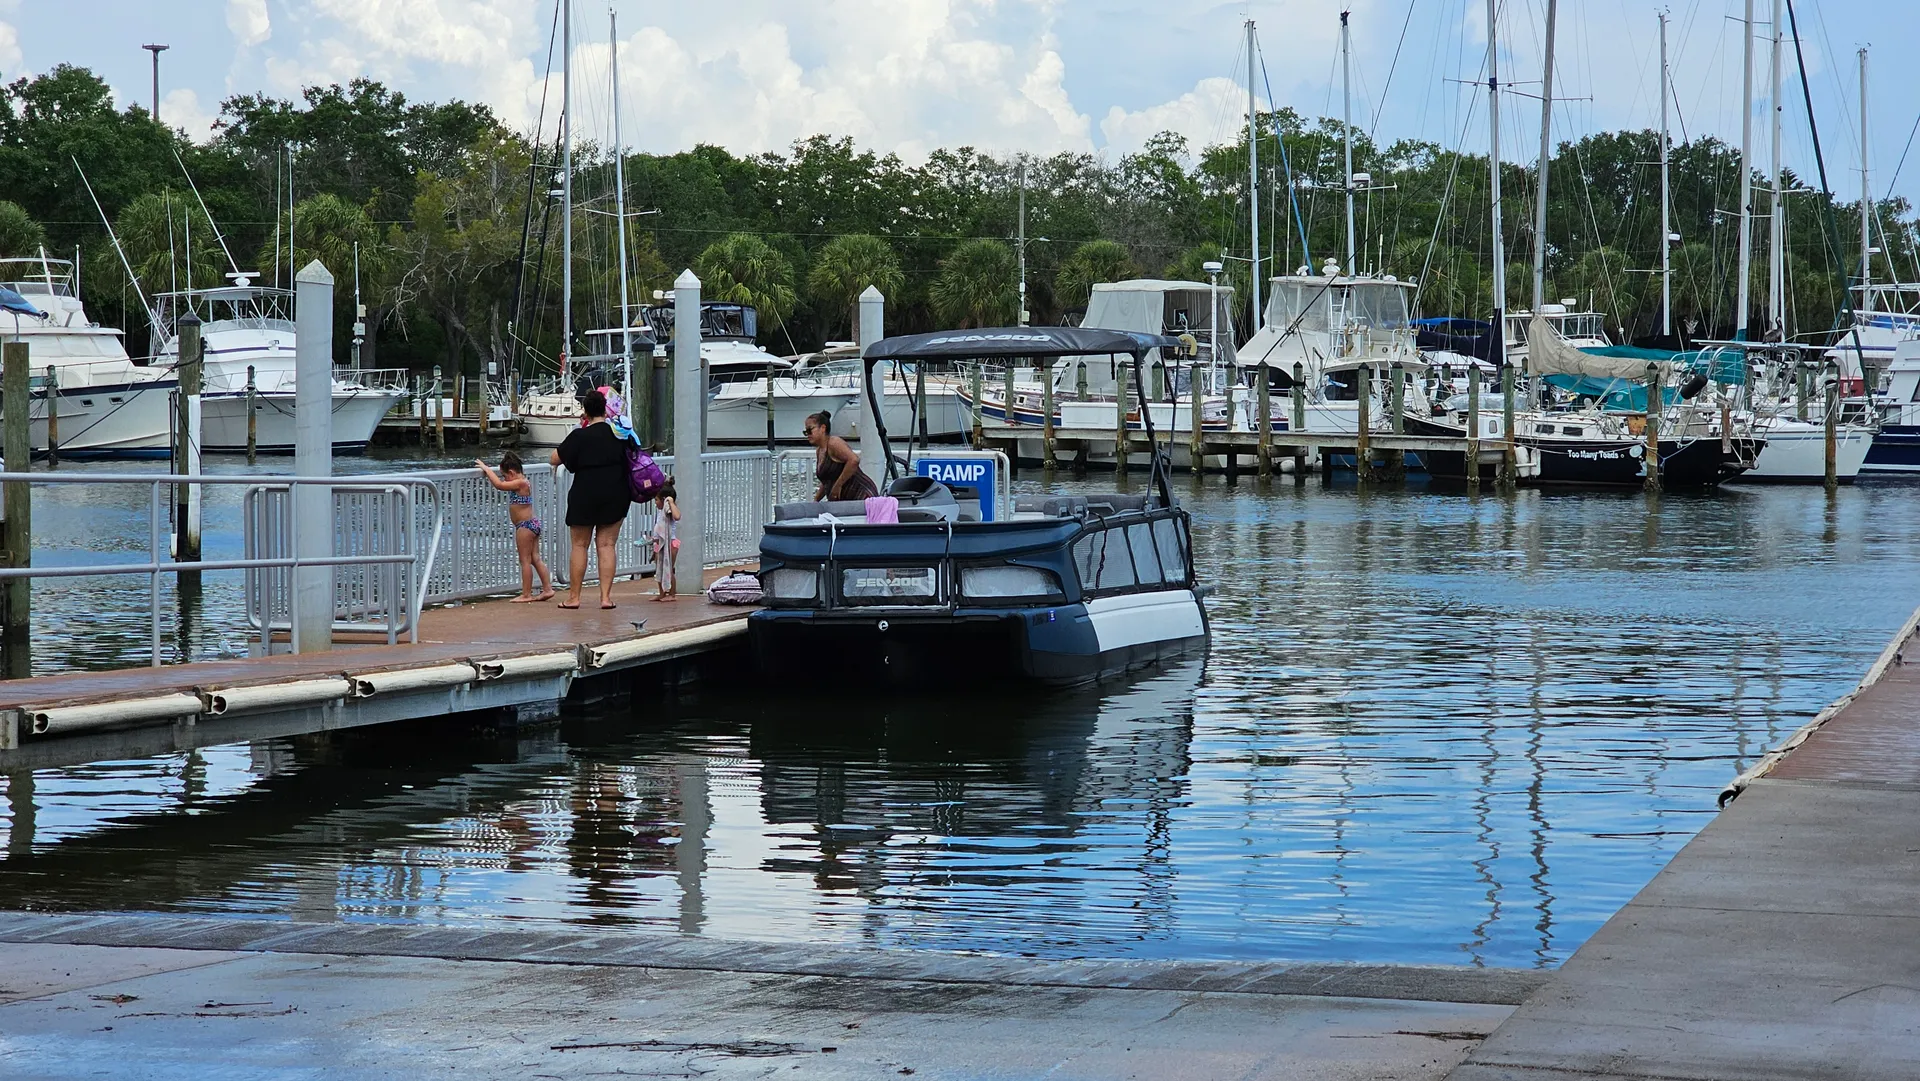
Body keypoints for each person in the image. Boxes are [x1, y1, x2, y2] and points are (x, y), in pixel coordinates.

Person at [551, 389, 631, 610]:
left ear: (585, 411)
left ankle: (574, 598)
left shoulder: (579, 435)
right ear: (605, 410)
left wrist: (580, 427)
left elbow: (554, 458)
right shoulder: (619, 434)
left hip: (584, 494)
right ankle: (605, 598)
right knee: (606, 545)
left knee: (579, 545)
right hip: (616, 493)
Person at [476, 451, 555, 603]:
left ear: (511, 473)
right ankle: (547, 589)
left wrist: (487, 469)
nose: (504, 479)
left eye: (505, 475)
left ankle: (526, 594)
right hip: (532, 524)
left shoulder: (520, 483)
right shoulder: (524, 481)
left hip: (525, 526)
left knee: (525, 560)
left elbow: (499, 485)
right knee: (535, 558)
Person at [805, 410, 878, 502]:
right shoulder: (819, 451)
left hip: (861, 495)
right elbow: (827, 481)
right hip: (846, 500)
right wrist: (815, 501)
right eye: (805, 432)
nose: (807, 434)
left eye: (809, 430)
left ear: (823, 428)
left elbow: (854, 460)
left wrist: (838, 486)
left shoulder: (833, 443)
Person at [648, 480, 680, 602]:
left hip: (670, 543)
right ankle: (661, 592)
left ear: (664, 499)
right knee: (659, 569)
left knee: (669, 568)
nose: (655, 503)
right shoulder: (660, 512)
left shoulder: (669, 511)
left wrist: (671, 502)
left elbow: (678, 516)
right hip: (659, 543)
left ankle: (671, 594)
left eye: (656, 500)